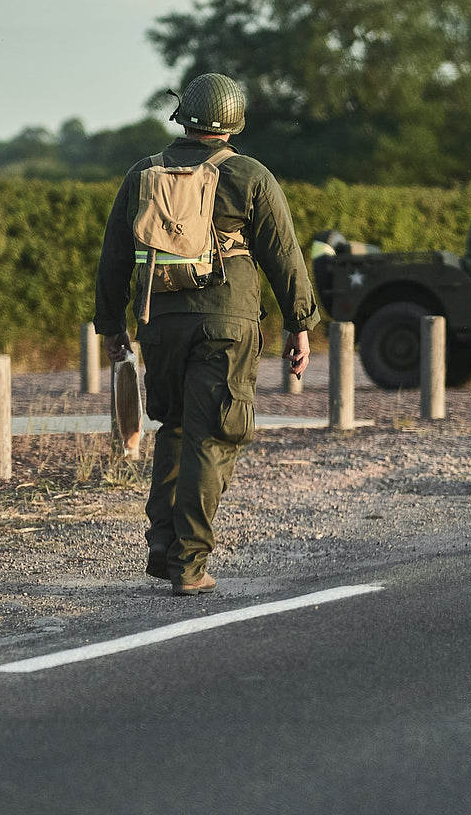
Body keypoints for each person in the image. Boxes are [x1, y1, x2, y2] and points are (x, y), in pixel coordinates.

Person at [94, 72, 318, 596]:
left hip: (160, 322)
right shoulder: (250, 176)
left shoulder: (143, 174)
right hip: (228, 321)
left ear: (183, 116)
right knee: (213, 435)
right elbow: (283, 255)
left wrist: (111, 326)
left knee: (173, 426)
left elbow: (113, 258)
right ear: (235, 121)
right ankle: (189, 564)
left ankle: (162, 541)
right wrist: (299, 323)